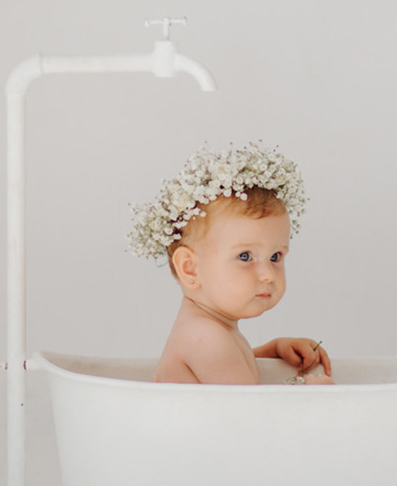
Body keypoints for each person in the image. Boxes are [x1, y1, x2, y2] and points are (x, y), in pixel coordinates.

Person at [127, 142, 334, 385]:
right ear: (190, 268)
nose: (268, 274)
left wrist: (272, 349)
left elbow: (227, 373)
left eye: (275, 256)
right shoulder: (207, 338)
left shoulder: (212, 332)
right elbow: (249, 413)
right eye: (245, 256)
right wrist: (311, 394)